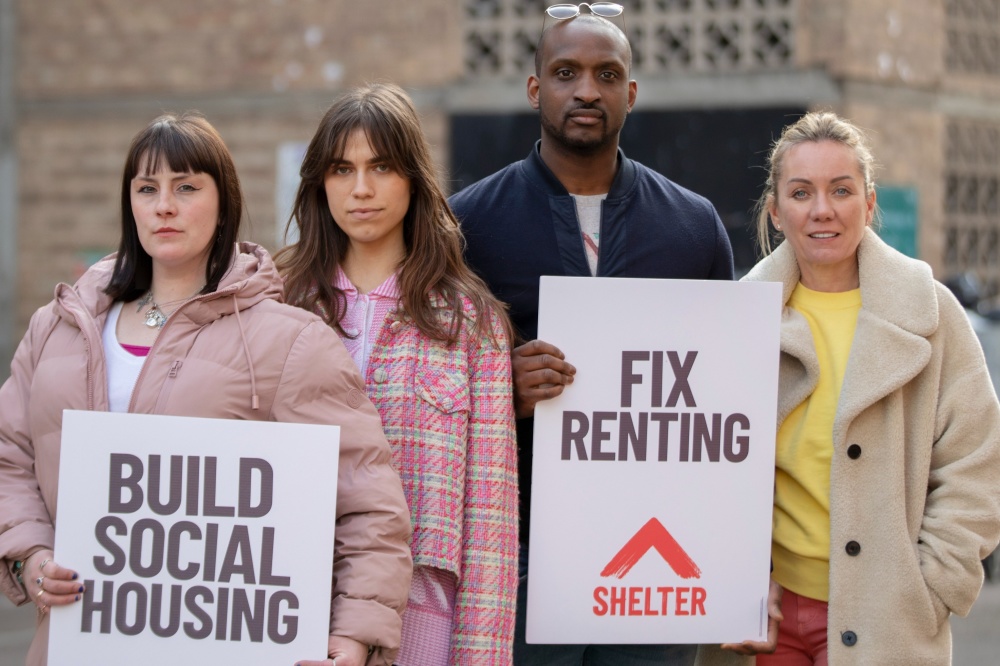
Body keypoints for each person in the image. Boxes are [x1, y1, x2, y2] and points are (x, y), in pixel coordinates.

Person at [0, 113, 412, 666]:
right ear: (131, 206)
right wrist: (31, 554)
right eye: (147, 189)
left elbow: (367, 501)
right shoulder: (58, 327)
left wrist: (354, 633)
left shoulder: (288, 342)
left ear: (224, 206)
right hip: (79, 642)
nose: (164, 205)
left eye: (186, 187)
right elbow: (10, 457)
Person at [448, 5, 740, 665]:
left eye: (607, 74)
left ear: (630, 94)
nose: (586, 90)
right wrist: (499, 387)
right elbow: (427, 385)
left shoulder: (693, 227)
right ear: (534, 89)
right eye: (566, 72)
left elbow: (731, 396)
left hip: (658, 559)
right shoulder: (466, 225)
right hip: (518, 551)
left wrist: (736, 559)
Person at [700, 111, 1000, 665]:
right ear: (775, 210)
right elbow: (705, 465)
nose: (822, 209)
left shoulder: (932, 313)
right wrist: (732, 580)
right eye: (801, 192)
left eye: (841, 190)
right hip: (766, 616)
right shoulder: (738, 316)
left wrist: (933, 588)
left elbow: (976, 463)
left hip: (891, 615)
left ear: (869, 203)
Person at [275, 83, 519, 665]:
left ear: (413, 178)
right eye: (342, 169)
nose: (361, 189)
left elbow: (490, 517)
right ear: (320, 185)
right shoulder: (279, 310)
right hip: (291, 602)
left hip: (423, 617)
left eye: (381, 166)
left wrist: (478, 656)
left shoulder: (471, 322)